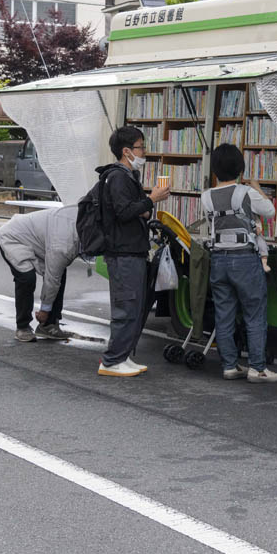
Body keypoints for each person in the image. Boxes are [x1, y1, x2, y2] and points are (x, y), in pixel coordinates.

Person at [201, 143, 277, 383]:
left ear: (215, 170)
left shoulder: (206, 196)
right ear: (240, 168)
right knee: (254, 313)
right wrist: (257, 188)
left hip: (218, 260)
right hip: (245, 259)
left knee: (224, 314)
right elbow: (269, 211)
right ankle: (257, 368)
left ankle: (229, 365)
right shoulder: (247, 193)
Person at [97, 126, 170, 377]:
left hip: (132, 250)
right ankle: (112, 360)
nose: (144, 151)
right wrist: (152, 199)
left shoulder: (129, 176)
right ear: (126, 151)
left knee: (135, 306)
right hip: (123, 251)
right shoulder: (118, 177)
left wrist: (145, 206)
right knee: (126, 306)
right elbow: (124, 211)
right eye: (141, 147)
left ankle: (122, 356)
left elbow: (137, 211)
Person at [0, 205, 80, 342]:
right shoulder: (64, 243)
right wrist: (44, 310)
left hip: (38, 241)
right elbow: (52, 279)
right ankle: (23, 326)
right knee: (27, 278)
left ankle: (49, 325)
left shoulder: (86, 218)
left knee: (60, 271)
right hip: (12, 237)